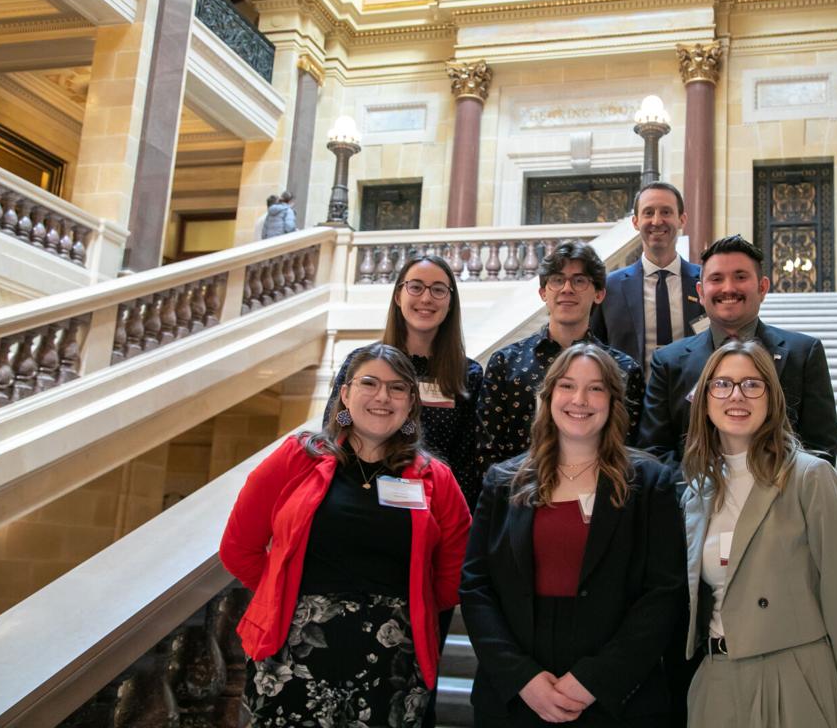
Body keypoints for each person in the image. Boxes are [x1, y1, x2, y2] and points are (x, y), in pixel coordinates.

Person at [219, 343, 471, 728]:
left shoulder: (436, 479)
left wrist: (408, 606)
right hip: (294, 652)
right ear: (345, 394)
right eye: (369, 382)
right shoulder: (295, 459)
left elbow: (455, 572)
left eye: (398, 388)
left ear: (410, 405)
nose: (383, 396)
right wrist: (282, 589)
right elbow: (238, 549)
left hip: (393, 660)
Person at [461, 343, 686, 727]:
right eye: (567, 386)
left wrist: (595, 679)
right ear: (548, 397)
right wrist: (522, 679)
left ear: (614, 401)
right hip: (516, 698)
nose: (580, 399)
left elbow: (665, 591)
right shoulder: (503, 481)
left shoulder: (649, 482)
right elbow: (476, 586)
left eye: (596, 388)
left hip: (617, 699)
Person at [679, 339, 837, 727]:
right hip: (717, 679)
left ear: (772, 398)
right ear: (704, 399)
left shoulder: (810, 478)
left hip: (796, 677)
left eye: (752, 384)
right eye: (722, 384)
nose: (737, 395)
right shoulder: (697, 492)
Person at [638, 234, 837, 465]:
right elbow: (654, 452)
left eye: (740, 277)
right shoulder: (668, 362)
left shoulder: (803, 354)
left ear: (763, 287)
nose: (729, 288)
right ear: (701, 293)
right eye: (716, 279)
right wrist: (703, 493)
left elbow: (821, 448)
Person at [325, 254, 484, 508]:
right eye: (416, 287)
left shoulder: (469, 375)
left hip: (435, 508)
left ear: (451, 302)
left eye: (439, 290)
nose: (426, 298)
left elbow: (468, 463)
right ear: (399, 296)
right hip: (356, 497)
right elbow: (334, 431)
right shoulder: (360, 362)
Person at [478, 240, 644, 469]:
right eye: (557, 280)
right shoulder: (505, 363)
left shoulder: (624, 369)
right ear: (543, 292)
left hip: (599, 495)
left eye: (579, 280)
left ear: (599, 294)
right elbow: (486, 451)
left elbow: (630, 451)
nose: (567, 288)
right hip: (519, 495)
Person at [590, 181, 705, 371]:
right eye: (648, 212)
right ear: (635, 222)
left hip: (692, 398)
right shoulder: (610, 288)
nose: (657, 221)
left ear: (682, 219)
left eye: (666, 212)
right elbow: (595, 350)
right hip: (629, 399)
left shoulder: (705, 282)